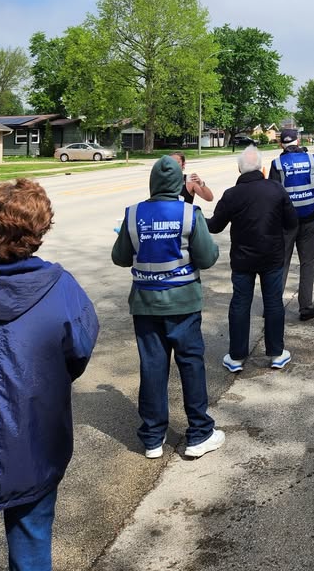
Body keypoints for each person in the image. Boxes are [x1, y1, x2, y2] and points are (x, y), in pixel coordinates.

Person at [0, 179, 99, 571]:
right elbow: (78, 353)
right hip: (34, 440)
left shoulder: (60, 287)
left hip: (33, 441)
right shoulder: (61, 289)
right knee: (32, 544)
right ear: (39, 232)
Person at [112, 155, 224, 459]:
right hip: (183, 304)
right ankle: (199, 433)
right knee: (191, 364)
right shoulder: (189, 214)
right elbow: (207, 258)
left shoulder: (133, 214)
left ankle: (152, 438)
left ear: (153, 182)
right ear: (178, 183)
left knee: (152, 368)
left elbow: (120, 258)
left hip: (145, 305)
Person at [207, 146, 297, 372]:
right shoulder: (276, 189)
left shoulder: (231, 194)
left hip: (242, 259)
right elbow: (291, 223)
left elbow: (215, 226)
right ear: (262, 168)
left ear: (239, 169)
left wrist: (195, 214)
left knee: (240, 303)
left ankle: (236, 357)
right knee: (273, 302)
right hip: (272, 256)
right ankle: (276, 353)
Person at [270, 129, 314, 321]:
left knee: (281, 263)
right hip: (309, 218)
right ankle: (306, 307)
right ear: (298, 141)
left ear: (281, 144)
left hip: (285, 223)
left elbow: (272, 195)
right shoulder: (311, 160)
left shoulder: (277, 164)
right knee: (308, 263)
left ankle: (273, 306)